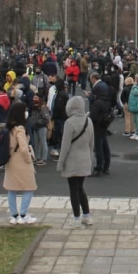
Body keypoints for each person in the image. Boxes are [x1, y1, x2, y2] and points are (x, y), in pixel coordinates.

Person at [57, 96, 95, 229]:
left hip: (72, 160)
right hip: (85, 158)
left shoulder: (69, 122)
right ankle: (87, 216)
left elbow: (65, 145)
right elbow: (91, 144)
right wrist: (91, 160)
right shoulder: (88, 120)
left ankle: (76, 218)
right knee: (80, 188)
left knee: (74, 189)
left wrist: (60, 162)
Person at [4, 101, 38, 225]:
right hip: (21, 160)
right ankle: (23, 214)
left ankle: (14, 215)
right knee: (29, 187)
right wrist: (29, 159)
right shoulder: (20, 128)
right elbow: (23, 147)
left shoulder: (9, 127)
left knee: (11, 188)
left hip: (11, 159)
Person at [88, 72, 113, 176]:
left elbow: (92, 116)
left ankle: (99, 167)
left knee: (98, 148)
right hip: (104, 125)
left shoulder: (97, 103)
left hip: (97, 126)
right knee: (105, 146)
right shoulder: (107, 101)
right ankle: (106, 166)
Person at [29, 95, 50, 165]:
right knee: (36, 143)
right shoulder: (34, 107)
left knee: (43, 142)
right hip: (36, 127)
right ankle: (37, 157)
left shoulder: (43, 107)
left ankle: (43, 159)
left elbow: (47, 118)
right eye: (33, 97)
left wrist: (38, 122)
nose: (34, 99)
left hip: (42, 127)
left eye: (36, 98)